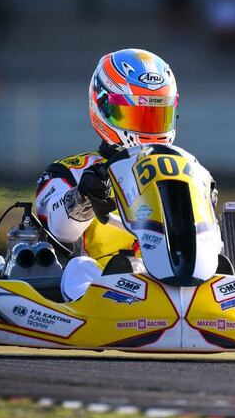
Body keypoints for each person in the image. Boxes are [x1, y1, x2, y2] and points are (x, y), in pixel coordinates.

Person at [34, 48, 214, 301]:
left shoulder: (184, 169)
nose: (148, 129)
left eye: (157, 117)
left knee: (223, 266)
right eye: (137, 116)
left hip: (176, 279)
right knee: (80, 269)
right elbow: (61, 230)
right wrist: (84, 195)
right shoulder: (71, 171)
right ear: (104, 106)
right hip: (102, 282)